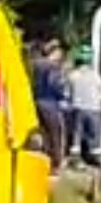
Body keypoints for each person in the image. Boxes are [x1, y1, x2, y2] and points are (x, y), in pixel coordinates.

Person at [32, 39, 69, 172]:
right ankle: (55, 163)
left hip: (37, 101)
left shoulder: (36, 65)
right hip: (50, 103)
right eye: (59, 52)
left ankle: (44, 160)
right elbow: (55, 85)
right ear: (54, 52)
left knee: (44, 133)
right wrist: (62, 95)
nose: (61, 55)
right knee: (55, 133)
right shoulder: (53, 67)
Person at [66, 45, 101, 168]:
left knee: (77, 134)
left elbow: (67, 93)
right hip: (94, 109)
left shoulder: (72, 75)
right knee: (94, 134)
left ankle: (75, 159)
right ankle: (96, 158)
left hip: (77, 108)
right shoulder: (96, 76)